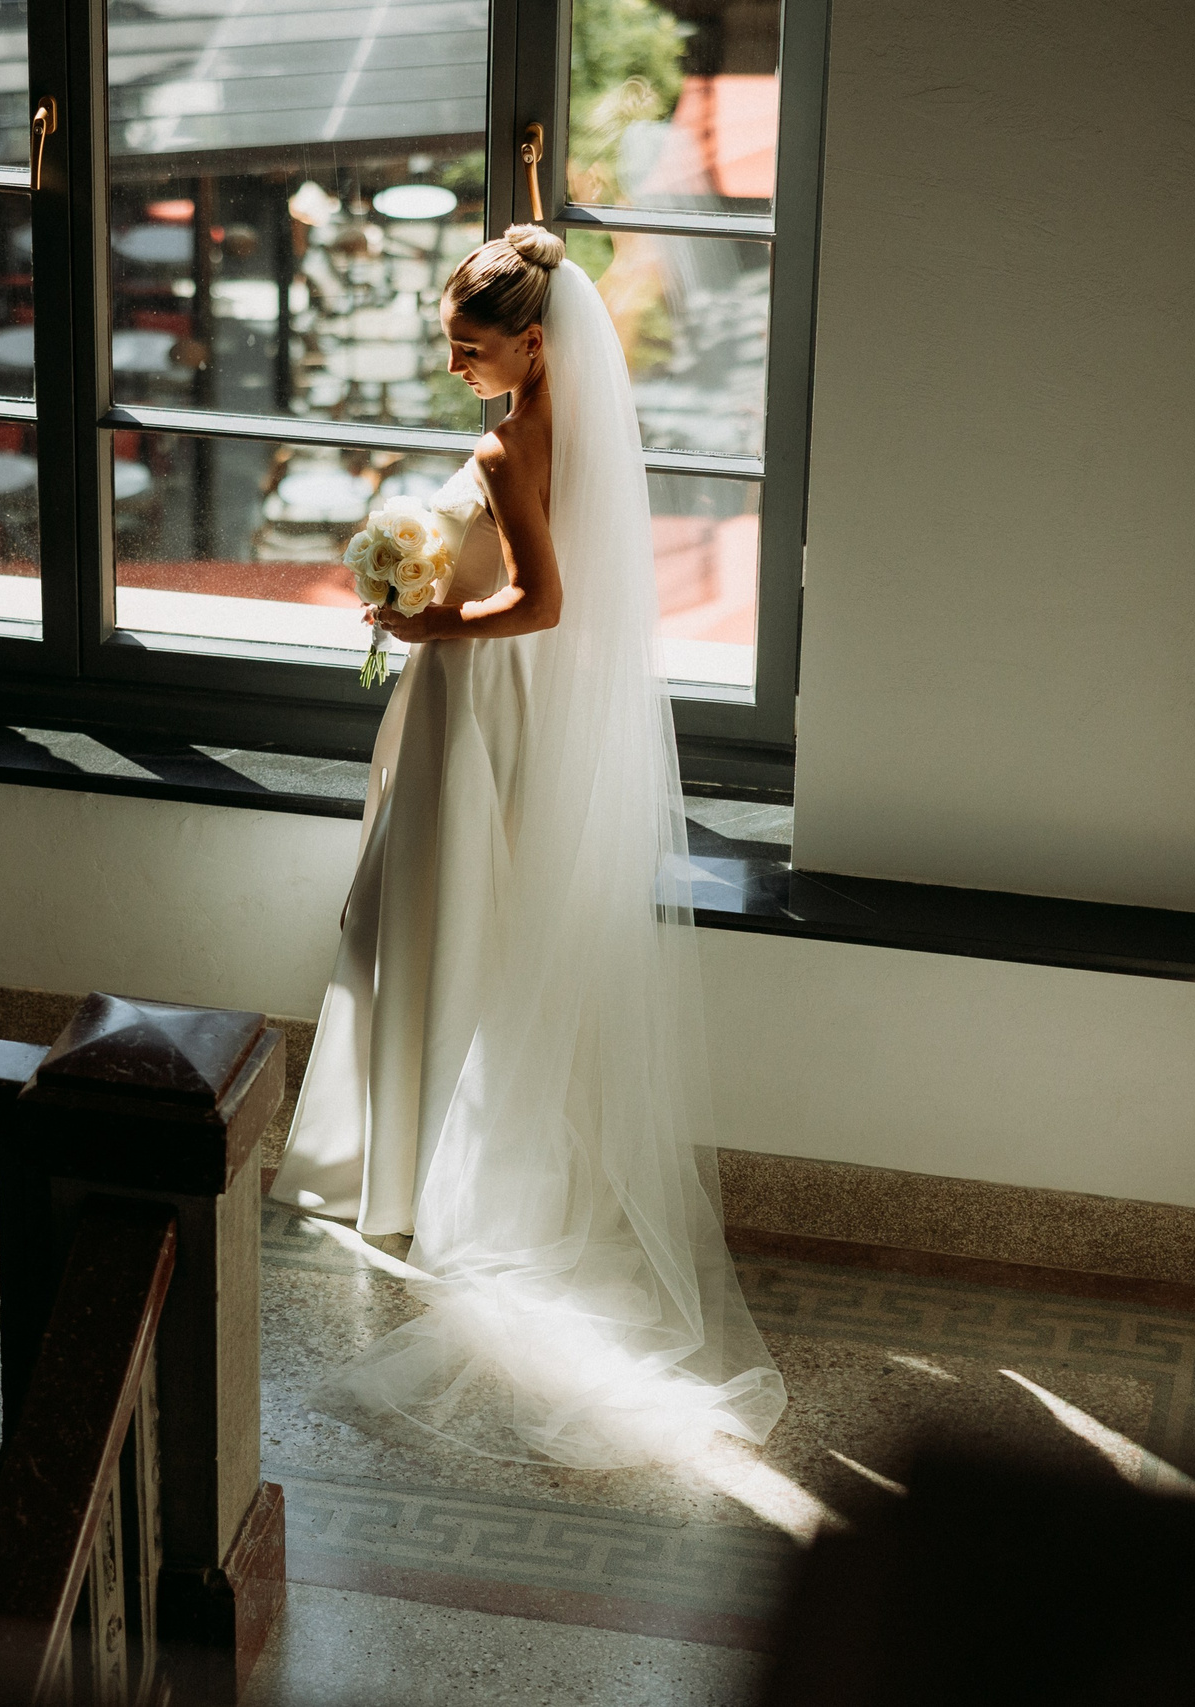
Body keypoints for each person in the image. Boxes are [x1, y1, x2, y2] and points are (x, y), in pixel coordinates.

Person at [269, 224, 786, 1469]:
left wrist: (422, 613)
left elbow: (540, 598)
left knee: (434, 912)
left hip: (482, 690)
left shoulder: (510, 449)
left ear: (534, 344)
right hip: (528, 704)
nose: (455, 365)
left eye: (469, 346)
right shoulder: (588, 433)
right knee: (481, 921)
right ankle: (422, 1156)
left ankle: (398, 1175)